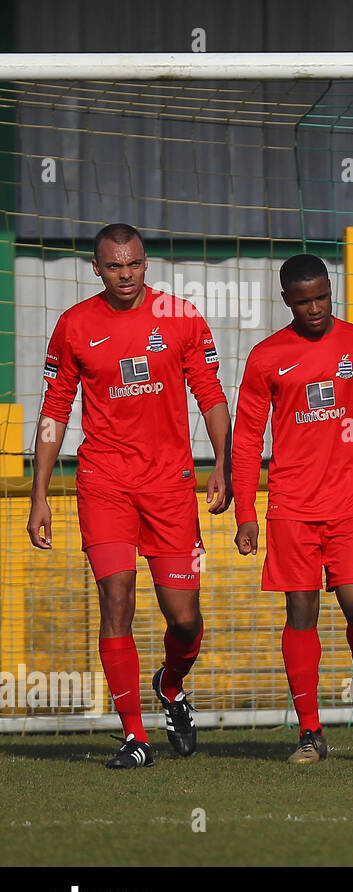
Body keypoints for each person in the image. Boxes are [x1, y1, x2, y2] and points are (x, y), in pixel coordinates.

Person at [28, 222, 232, 769]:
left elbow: (210, 393)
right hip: (104, 483)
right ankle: (136, 738)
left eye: (134, 264)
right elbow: (54, 413)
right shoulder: (74, 325)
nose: (125, 275)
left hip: (169, 486)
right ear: (96, 268)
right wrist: (39, 493)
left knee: (184, 620)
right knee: (116, 598)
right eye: (114, 266)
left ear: (147, 264)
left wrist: (224, 465)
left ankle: (169, 686)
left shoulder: (181, 317)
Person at [232, 255, 353, 764]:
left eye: (322, 297)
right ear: (286, 300)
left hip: (351, 505)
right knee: (300, 612)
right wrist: (246, 511)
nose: (315, 308)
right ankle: (310, 732)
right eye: (303, 300)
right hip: (290, 507)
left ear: (332, 291)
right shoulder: (267, 356)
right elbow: (246, 439)